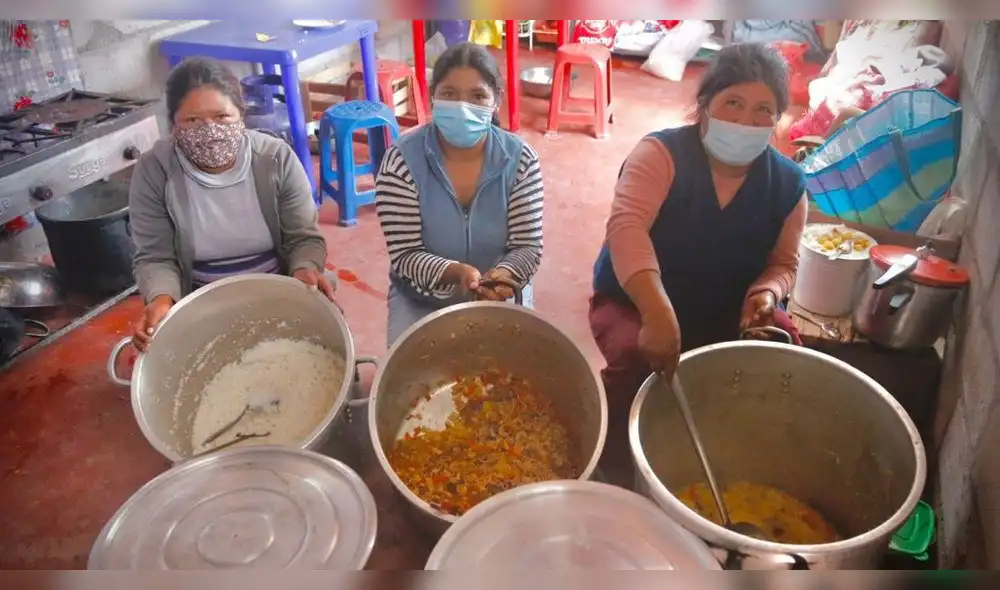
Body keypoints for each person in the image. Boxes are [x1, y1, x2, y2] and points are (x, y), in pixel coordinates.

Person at [589, 43, 808, 484]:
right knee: (636, 354)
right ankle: (610, 461)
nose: (746, 121)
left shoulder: (787, 184)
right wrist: (655, 310)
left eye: (763, 110)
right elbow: (626, 229)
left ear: (778, 119)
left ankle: (730, 456)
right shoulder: (662, 155)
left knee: (783, 348)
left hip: (723, 310)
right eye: (733, 103)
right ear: (704, 106)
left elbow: (784, 264)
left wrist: (767, 293)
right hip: (634, 300)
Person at [129, 57, 334, 352]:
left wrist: (305, 270)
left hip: (281, 289)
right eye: (193, 121)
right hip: (200, 302)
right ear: (173, 124)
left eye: (222, 117)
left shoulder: (276, 158)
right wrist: (162, 299)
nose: (210, 131)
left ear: (241, 114)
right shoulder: (154, 170)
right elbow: (155, 257)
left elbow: (303, 237)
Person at [374, 42, 545, 347]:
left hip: (499, 293)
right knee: (411, 372)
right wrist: (456, 273)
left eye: (477, 96)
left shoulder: (521, 160)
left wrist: (502, 276)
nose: (463, 107)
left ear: (496, 101)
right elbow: (405, 254)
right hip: (420, 299)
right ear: (432, 97)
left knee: (515, 374)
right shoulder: (401, 161)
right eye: (450, 94)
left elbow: (527, 246)